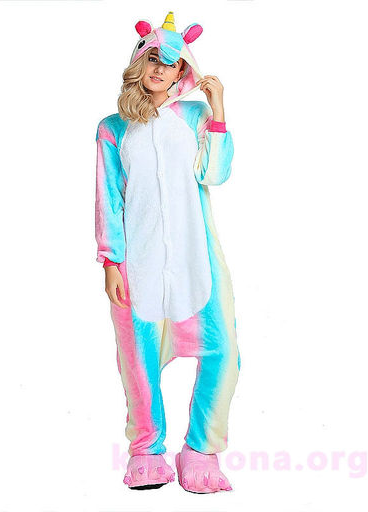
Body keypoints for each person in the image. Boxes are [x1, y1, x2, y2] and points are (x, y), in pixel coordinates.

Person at [94, 11, 240, 493]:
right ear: (139, 64)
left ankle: (200, 450)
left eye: (170, 63)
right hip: (138, 263)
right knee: (138, 361)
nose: (159, 69)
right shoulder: (113, 128)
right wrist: (111, 261)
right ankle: (147, 451)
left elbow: (214, 174)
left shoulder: (195, 117)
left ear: (183, 71)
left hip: (198, 258)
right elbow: (108, 198)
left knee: (222, 351)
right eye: (152, 59)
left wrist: (218, 110)